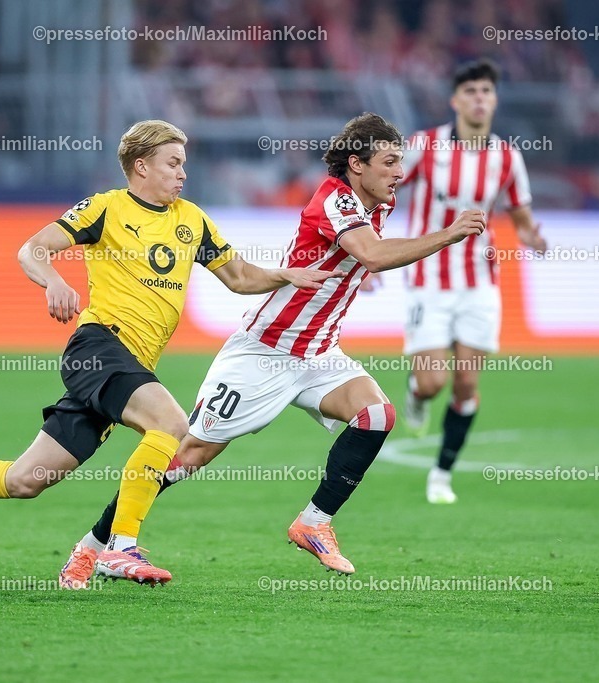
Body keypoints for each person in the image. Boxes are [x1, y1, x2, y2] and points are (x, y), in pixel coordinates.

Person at [0, 120, 341, 585]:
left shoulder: (191, 220)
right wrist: (54, 281)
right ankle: (120, 547)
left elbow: (239, 278)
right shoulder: (107, 208)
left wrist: (285, 274)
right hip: (100, 348)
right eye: (172, 163)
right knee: (172, 425)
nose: (183, 173)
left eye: (183, 163)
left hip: (129, 368)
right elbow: (32, 249)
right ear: (141, 166)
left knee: (26, 480)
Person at [58, 113, 487, 588]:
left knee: (376, 416)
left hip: (318, 352)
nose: (399, 173)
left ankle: (314, 522)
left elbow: (355, 256)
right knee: (189, 455)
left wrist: (353, 277)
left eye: (400, 163)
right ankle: (93, 546)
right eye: (389, 162)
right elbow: (372, 254)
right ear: (356, 164)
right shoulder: (336, 198)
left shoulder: (375, 204)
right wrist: (449, 233)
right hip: (265, 352)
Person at [398, 59, 547, 504]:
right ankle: (416, 392)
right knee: (432, 383)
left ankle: (441, 474)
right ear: (455, 100)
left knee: (466, 384)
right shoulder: (423, 146)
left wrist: (531, 236)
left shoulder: (507, 157)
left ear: (494, 100)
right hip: (427, 277)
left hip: (479, 281)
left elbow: (520, 214)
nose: (479, 99)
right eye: (471, 91)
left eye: (486, 91)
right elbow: (383, 190)